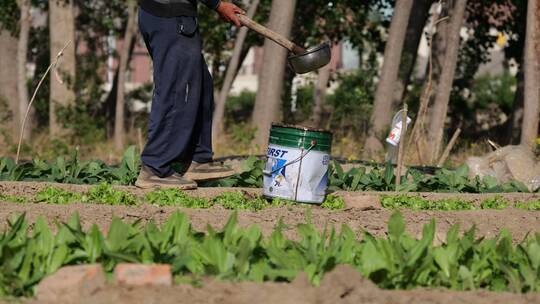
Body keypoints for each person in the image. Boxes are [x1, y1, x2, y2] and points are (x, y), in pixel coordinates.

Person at [135, 0, 245, 189]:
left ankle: (197, 159)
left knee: (201, 84)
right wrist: (218, 4)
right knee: (177, 90)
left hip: (171, 16)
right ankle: (155, 168)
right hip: (169, 16)